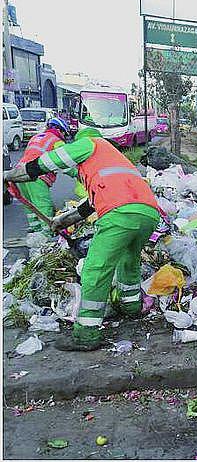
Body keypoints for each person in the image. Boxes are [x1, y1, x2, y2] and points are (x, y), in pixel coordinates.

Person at [4, 127, 161, 351]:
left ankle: (86, 334)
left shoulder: (90, 144)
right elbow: (90, 205)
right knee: (129, 261)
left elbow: (48, 162)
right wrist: (63, 221)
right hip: (148, 214)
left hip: (120, 214)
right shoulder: (115, 160)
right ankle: (131, 307)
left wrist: (11, 174)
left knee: (96, 269)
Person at [8, 117, 71, 234]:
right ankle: (47, 234)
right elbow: (65, 161)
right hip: (36, 175)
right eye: (64, 132)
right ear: (59, 129)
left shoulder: (36, 137)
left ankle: (35, 229)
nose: (64, 135)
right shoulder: (57, 141)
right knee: (43, 205)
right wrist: (77, 174)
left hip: (19, 174)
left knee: (30, 205)